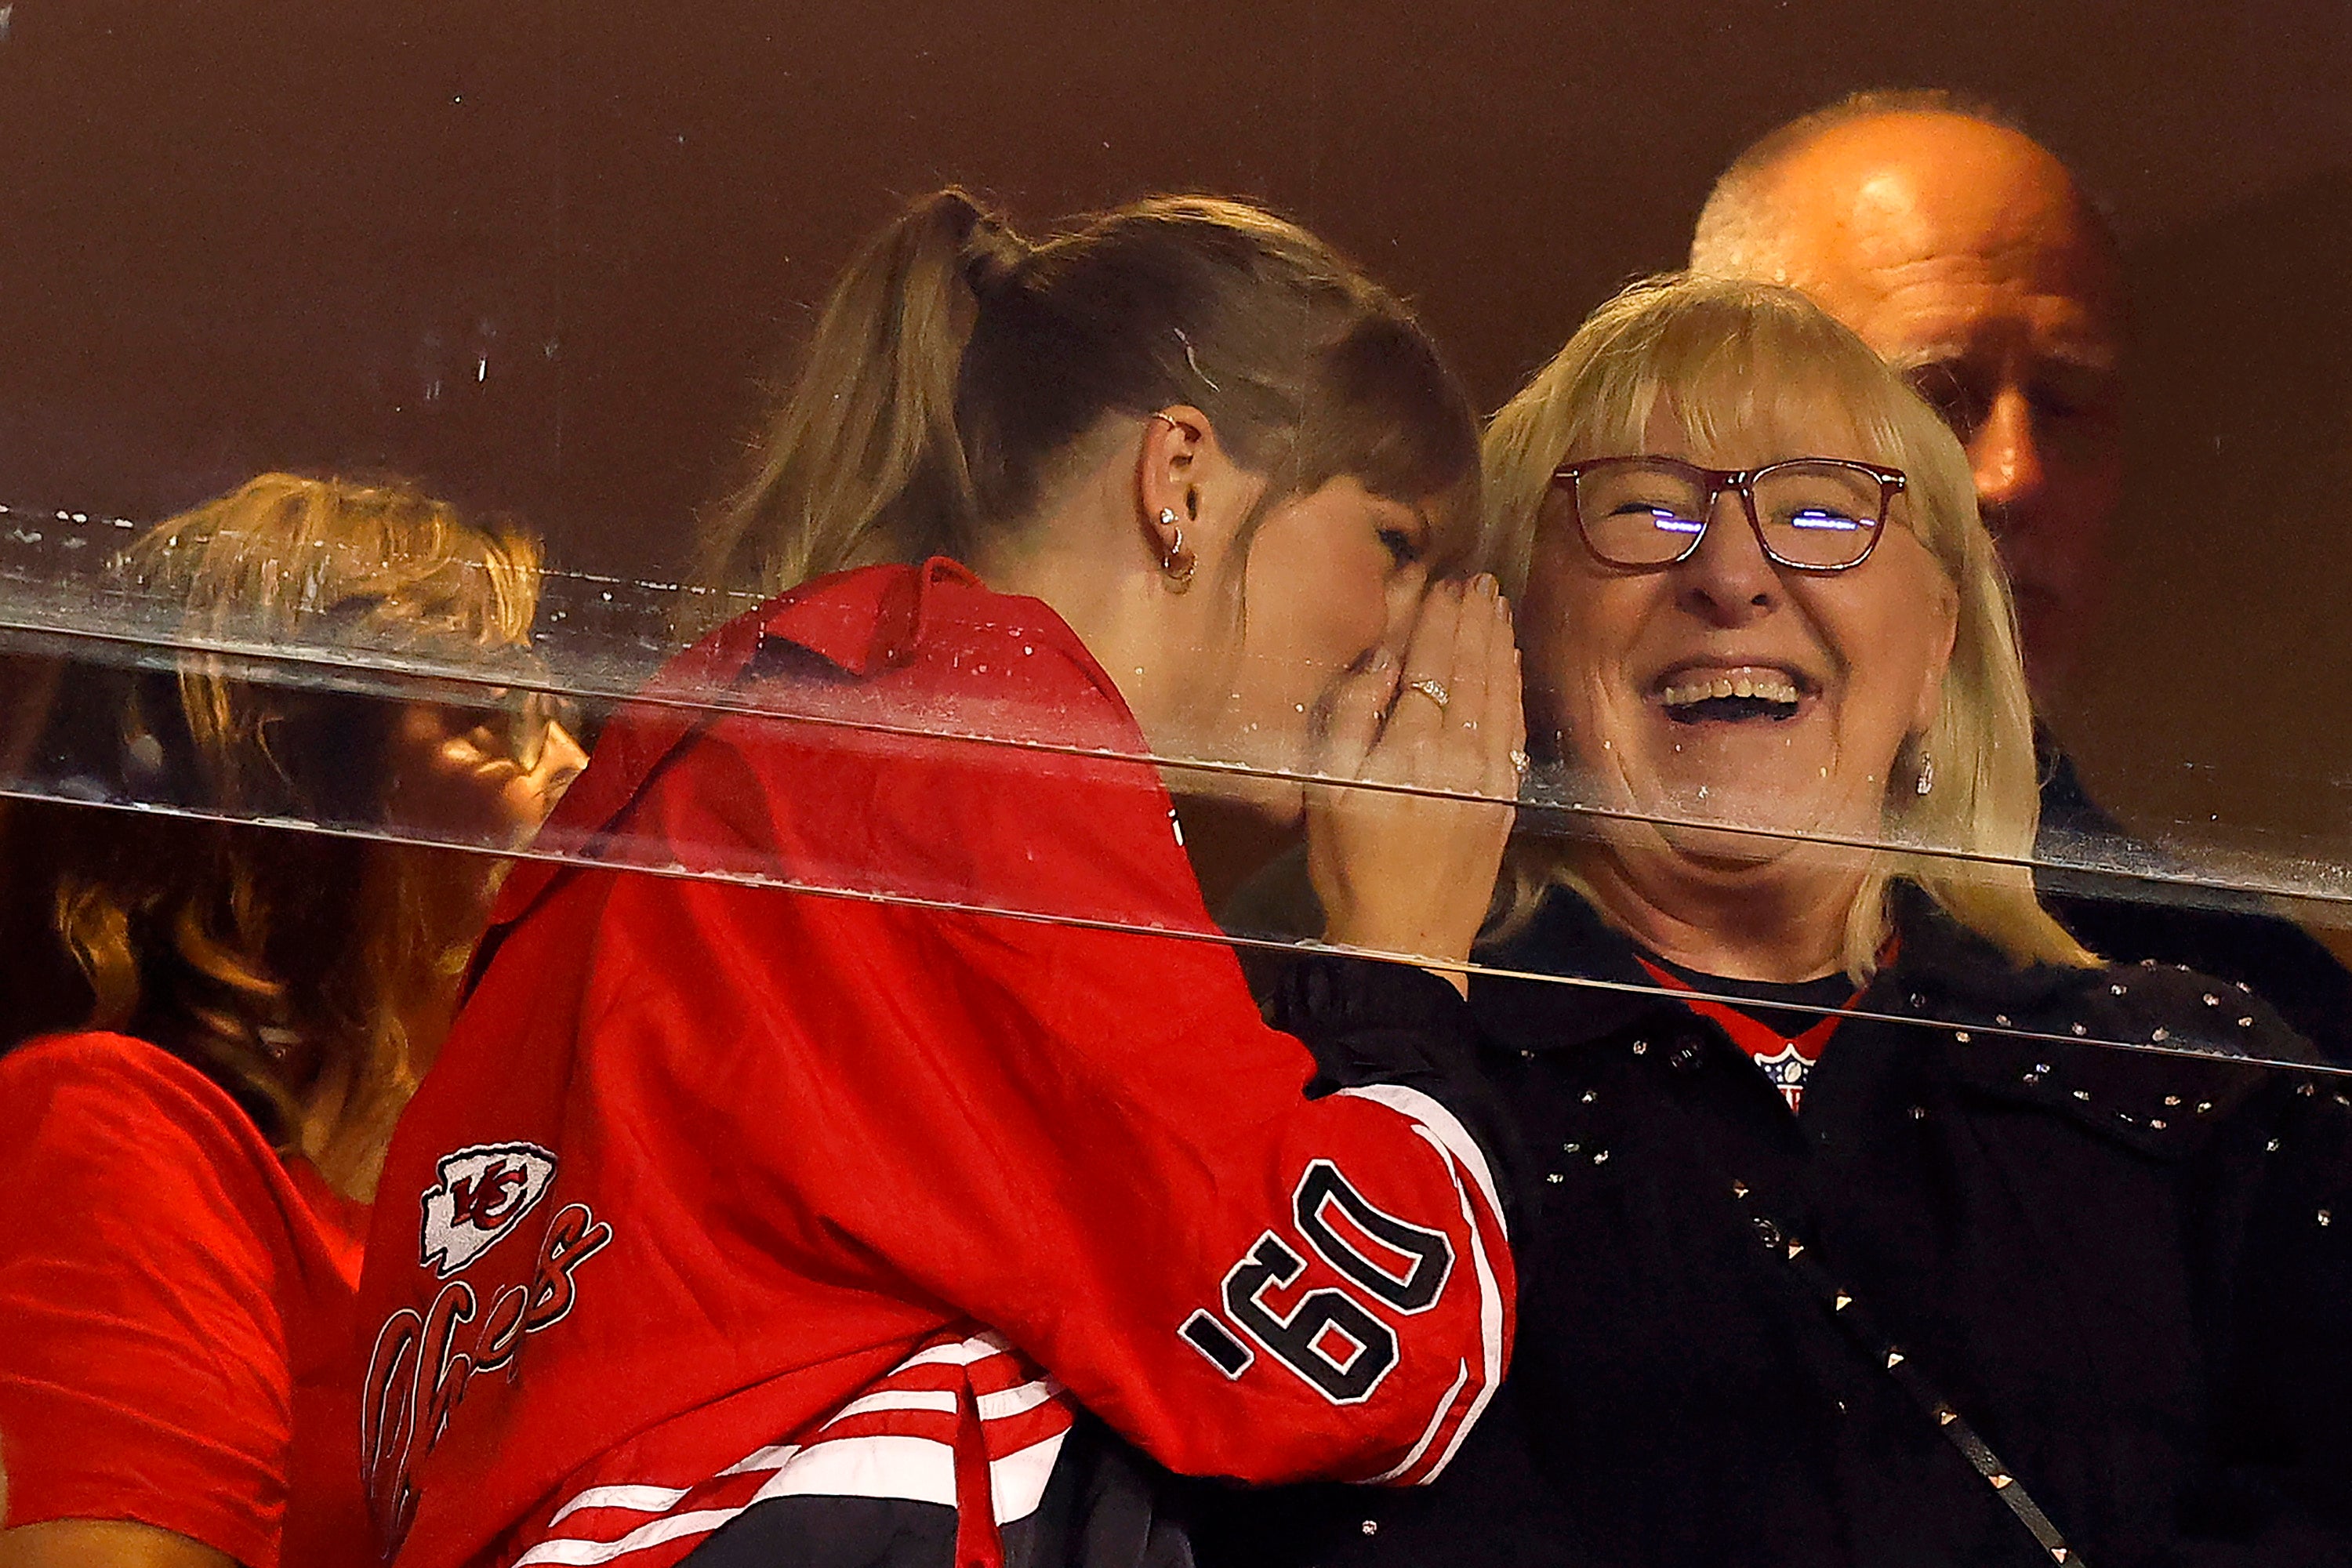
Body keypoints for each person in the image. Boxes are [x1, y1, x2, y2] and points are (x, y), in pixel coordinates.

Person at [350, 189, 1526, 1568]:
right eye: (1395, 546)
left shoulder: (751, 733)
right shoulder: (977, 735)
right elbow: (1351, 1356)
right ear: (1185, 479)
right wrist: (1405, 952)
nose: (1414, 634)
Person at [1208, 274, 2352, 1568]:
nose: (1735, 574)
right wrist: (1389, 1002)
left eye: (1823, 511)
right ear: (1509, 643)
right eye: (1644, 509)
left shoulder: (2196, 1088)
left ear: (1936, 653)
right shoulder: (1338, 1083)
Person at [1687, 88, 2352, 1063]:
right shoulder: (1481, 907)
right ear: (1700, 436)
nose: (2012, 474)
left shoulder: (2254, 1010)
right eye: (1934, 399)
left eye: (2067, 403)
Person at [0, 474, 584, 1568]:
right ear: (299, 784)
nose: (579, 776)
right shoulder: (124, 1131)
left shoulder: (489, 1196)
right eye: (492, 719)